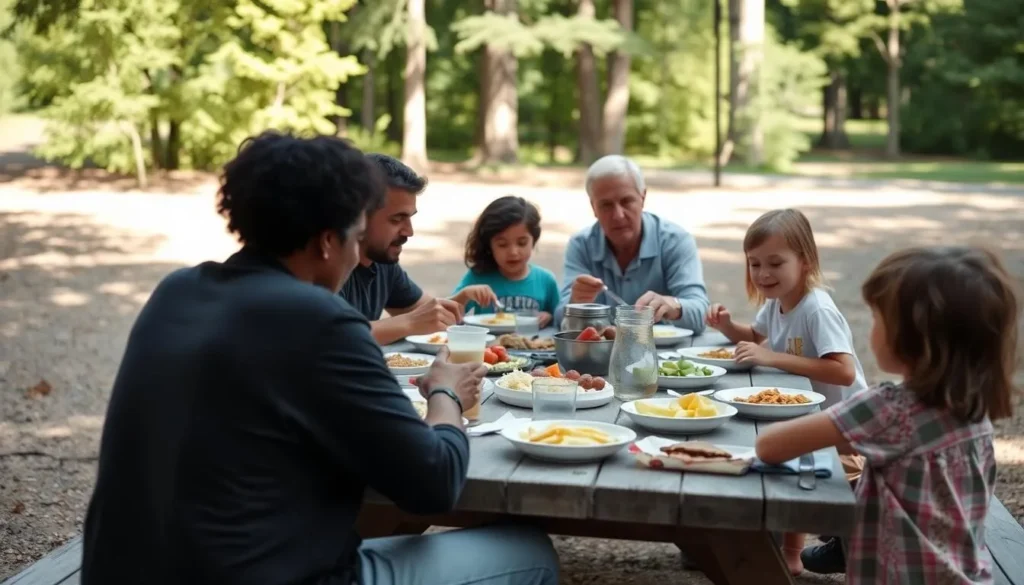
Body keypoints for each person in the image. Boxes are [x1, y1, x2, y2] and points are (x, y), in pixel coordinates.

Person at [80, 132, 560, 585]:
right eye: (355, 238)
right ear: (329, 241)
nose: (357, 255)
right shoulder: (322, 321)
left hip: (120, 571)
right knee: (529, 552)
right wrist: (445, 394)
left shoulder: (176, 290)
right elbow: (434, 484)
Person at [756, 245, 1019, 585]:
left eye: (879, 319)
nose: (871, 329)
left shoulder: (890, 408)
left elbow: (769, 446)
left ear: (910, 338)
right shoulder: (974, 412)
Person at [705, 208, 868, 575]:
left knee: (782, 464)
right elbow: (754, 338)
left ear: (805, 262)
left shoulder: (816, 309)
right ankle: (796, 551)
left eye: (775, 263)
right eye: (754, 263)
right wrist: (728, 325)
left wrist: (775, 359)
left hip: (847, 437)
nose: (763, 274)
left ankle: (831, 541)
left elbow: (843, 371)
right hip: (810, 421)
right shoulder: (777, 304)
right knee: (766, 448)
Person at [340, 154, 498, 345]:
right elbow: (330, 335)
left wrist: (460, 299)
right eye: (397, 219)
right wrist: (410, 322)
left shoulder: (383, 263)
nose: (409, 231)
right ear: (359, 216)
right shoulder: (328, 265)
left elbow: (425, 313)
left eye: (410, 218)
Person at [556, 155, 709, 332]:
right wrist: (576, 303)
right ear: (593, 208)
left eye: (626, 201)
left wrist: (673, 306)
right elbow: (560, 319)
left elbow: (701, 313)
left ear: (643, 198)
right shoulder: (581, 245)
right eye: (606, 205)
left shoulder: (675, 241)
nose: (618, 215)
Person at [453, 195, 560, 327]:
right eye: (502, 244)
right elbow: (446, 313)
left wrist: (549, 316)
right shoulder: (478, 277)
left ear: (534, 240)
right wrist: (465, 295)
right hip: (489, 347)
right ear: (489, 245)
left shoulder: (545, 280)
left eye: (522, 243)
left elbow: (561, 319)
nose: (513, 252)